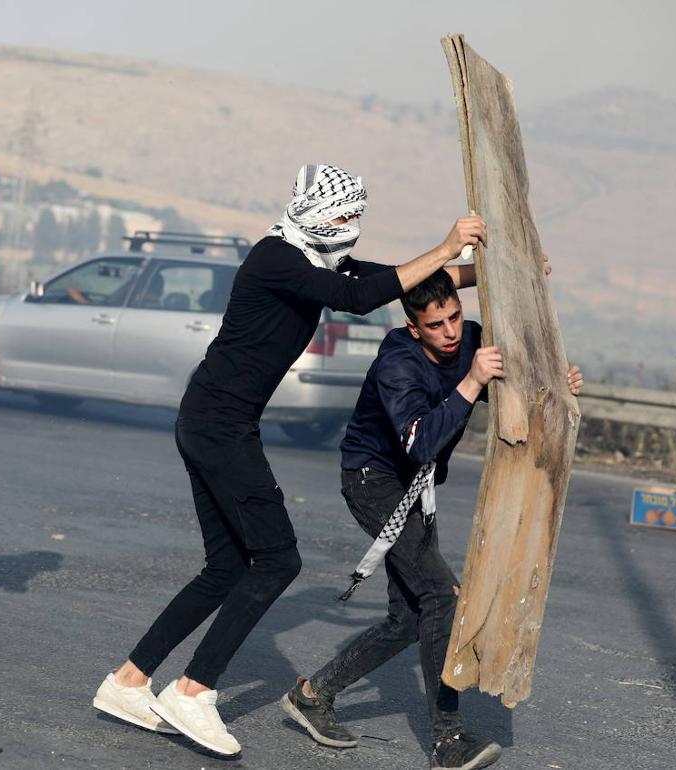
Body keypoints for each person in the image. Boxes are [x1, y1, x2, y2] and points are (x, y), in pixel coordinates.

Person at [91, 164, 488, 757]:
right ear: (318, 215)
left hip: (214, 420)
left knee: (226, 568)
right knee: (277, 560)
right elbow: (357, 299)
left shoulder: (316, 260)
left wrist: (498, 272)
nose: (352, 225)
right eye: (345, 215)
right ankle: (193, 691)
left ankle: (128, 681)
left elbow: (403, 282)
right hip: (219, 425)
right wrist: (447, 244)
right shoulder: (276, 258)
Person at [278, 269, 584, 769]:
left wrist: (558, 383)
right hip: (373, 481)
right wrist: (472, 380)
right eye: (436, 324)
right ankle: (447, 741)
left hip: (416, 489)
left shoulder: (471, 341)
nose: (450, 332)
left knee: (410, 618)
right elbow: (420, 442)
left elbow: (521, 387)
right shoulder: (397, 363)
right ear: (413, 326)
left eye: (455, 317)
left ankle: (313, 695)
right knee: (441, 597)